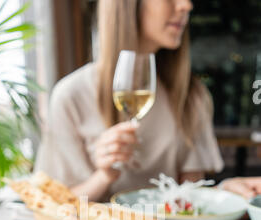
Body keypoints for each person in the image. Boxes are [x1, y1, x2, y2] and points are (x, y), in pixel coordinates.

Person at [36, 0, 225, 201]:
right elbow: (52, 204)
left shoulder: (192, 96)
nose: (186, 5)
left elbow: (191, 198)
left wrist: (224, 192)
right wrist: (105, 175)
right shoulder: (70, 95)